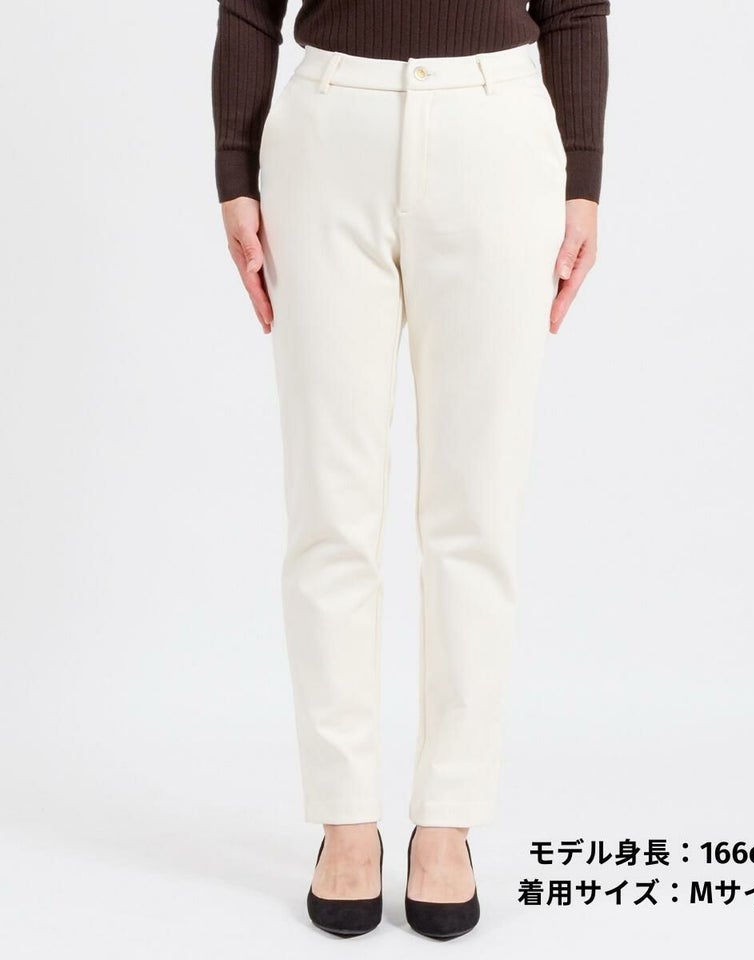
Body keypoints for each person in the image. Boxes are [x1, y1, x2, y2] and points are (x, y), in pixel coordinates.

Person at [211, 0, 610, 940]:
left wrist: (584, 176)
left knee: (477, 507)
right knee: (330, 506)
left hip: (496, 131)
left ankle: (449, 820)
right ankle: (344, 818)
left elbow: (575, 5)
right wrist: (234, 167)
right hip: (328, 131)